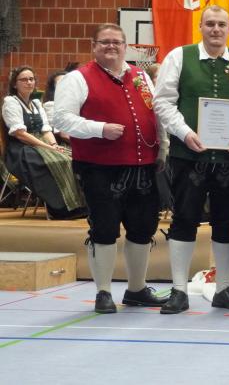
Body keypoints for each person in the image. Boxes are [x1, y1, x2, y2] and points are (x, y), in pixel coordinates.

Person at [52, 23, 169, 313]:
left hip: (143, 166)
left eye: (117, 42)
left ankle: (137, 289)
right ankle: (103, 292)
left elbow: (156, 114)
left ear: (125, 46)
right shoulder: (77, 78)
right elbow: (61, 119)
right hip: (99, 167)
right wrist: (100, 128)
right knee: (104, 228)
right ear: (94, 46)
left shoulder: (141, 75)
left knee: (143, 227)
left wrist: (163, 147)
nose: (111, 46)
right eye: (104, 42)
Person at [152, 5, 229, 313]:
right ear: (200, 26)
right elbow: (163, 102)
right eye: (210, 23)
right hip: (188, 156)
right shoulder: (179, 57)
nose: (215, 29)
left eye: (221, 24)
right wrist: (185, 133)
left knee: (227, 221)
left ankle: (224, 289)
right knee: (184, 219)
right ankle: (179, 291)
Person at [2, 66, 84, 218]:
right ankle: (60, 209)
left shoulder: (36, 104)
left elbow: (46, 130)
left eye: (31, 79)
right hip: (20, 150)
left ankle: (77, 204)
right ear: (15, 84)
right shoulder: (11, 102)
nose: (29, 82)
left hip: (40, 145)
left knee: (71, 157)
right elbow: (20, 134)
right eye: (24, 79)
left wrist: (54, 145)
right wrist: (48, 147)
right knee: (56, 162)